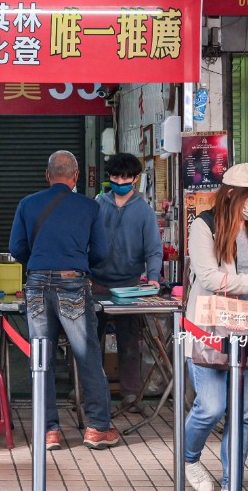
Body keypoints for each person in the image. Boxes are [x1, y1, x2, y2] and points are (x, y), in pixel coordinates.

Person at [9, 150, 116, 451]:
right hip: (74, 283)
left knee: (40, 358)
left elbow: (16, 248)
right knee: (86, 356)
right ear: (76, 177)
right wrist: (76, 265)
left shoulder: (27, 204)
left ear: (47, 175)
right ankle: (97, 428)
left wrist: (42, 265)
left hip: (37, 283)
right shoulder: (88, 207)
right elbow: (100, 252)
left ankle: (49, 432)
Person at [184, 163, 248, 491]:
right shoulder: (204, 225)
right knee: (211, 407)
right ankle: (189, 458)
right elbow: (210, 277)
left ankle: (231, 484)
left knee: (242, 414)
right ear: (230, 194)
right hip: (209, 331)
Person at [92, 152, 163, 416]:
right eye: (115, 176)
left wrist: (153, 277)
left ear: (135, 178)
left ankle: (131, 395)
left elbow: (154, 249)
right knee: (91, 340)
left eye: (125, 177)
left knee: (130, 342)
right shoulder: (97, 204)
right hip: (97, 283)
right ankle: (91, 393)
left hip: (130, 286)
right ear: (109, 177)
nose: (120, 181)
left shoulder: (143, 211)